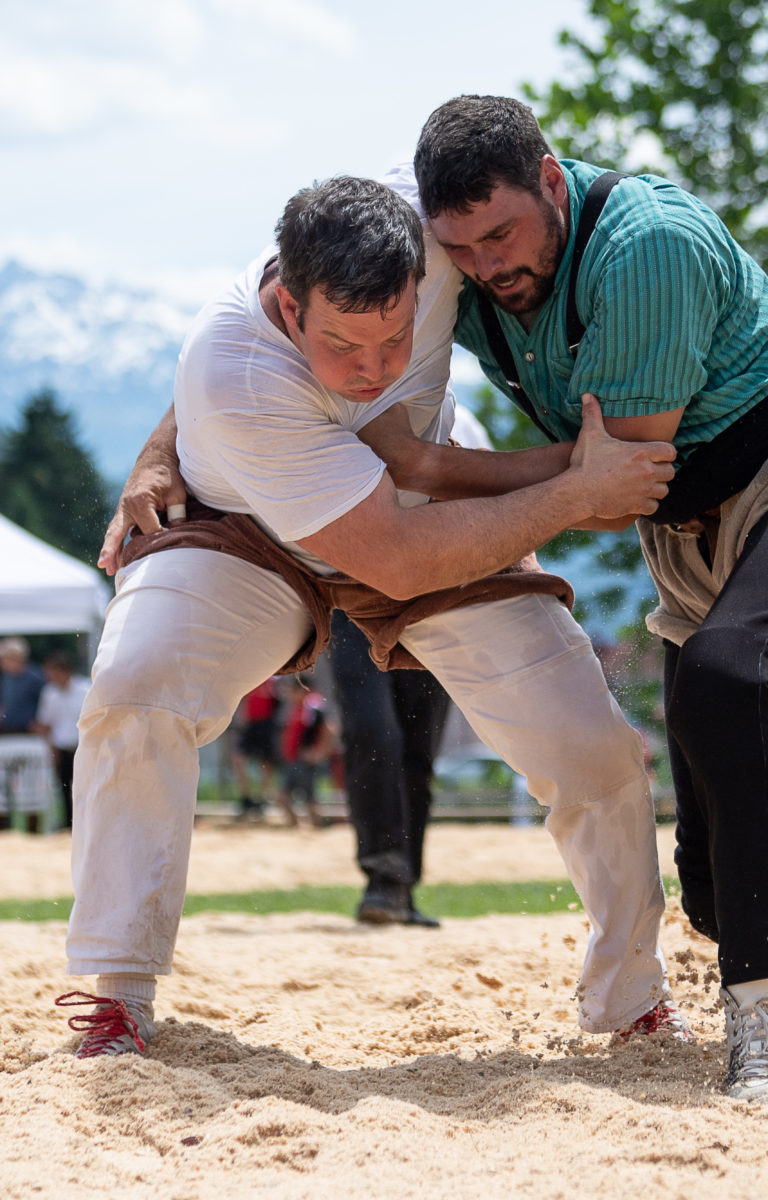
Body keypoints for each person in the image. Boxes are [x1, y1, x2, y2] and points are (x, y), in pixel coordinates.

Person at [55, 173, 682, 1061]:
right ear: (288, 302)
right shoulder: (234, 369)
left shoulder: (424, 212)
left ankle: (632, 998)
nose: (377, 373)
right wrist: (575, 490)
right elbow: (389, 557)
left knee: (593, 745)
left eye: (398, 338)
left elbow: (526, 187)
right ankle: (116, 989)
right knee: (134, 681)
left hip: (423, 502)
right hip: (256, 534)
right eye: (345, 346)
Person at [412, 93, 768, 1100]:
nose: (487, 265)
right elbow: (279, 301)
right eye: (462, 247)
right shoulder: (449, 260)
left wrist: (435, 474)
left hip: (740, 481)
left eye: (504, 233)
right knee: (709, 883)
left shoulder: (643, 249)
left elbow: (618, 490)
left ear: (553, 182)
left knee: (723, 685)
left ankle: (759, 1024)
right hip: (692, 533)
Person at [330, 406, 489, 928]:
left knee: (419, 747)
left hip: (435, 598)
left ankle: (403, 884)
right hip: (352, 599)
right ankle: (383, 874)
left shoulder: (463, 427)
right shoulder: (347, 418)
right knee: (372, 731)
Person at [32, 651, 90, 830]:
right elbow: (47, 723)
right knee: (65, 789)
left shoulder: (84, 689)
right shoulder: (50, 693)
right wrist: (52, 749)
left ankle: (85, 825)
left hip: (83, 746)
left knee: (84, 789)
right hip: (62, 746)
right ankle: (68, 824)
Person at [275, 674, 335, 827]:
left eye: (292, 691)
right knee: (284, 797)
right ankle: (296, 827)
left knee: (309, 798)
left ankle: (317, 827)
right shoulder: (299, 707)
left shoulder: (312, 705)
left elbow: (328, 728)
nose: (289, 694)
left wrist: (320, 752)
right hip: (293, 759)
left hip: (305, 760)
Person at [0, 637, 46, 833]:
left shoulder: (36, 679)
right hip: (4, 737)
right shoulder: (2, 678)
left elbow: (45, 707)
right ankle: (5, 832)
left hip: (29, 738)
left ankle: (32, 833)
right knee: (2, 791)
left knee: (31, 788)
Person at [229, 678, 279, 819]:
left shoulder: (274, 680)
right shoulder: (251, 675)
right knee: (238, 760)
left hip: (266, 724)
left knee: (266, 763)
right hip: (251, 724)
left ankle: (262, 800)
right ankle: (246, 799)